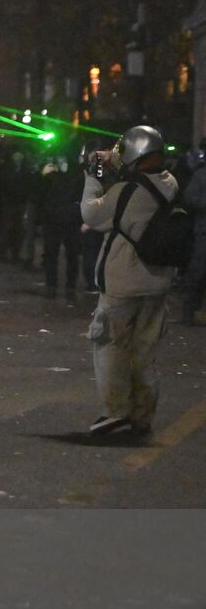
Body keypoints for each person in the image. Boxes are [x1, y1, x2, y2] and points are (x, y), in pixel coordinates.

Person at [82, 125, 180, 437]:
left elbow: (91, 215)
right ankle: (142, 417)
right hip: (158, 281)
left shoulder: (127, 191)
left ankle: (115, 413)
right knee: (145, 355)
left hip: (124, 281)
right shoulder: (169, 182)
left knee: (110, 346)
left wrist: (92, 177)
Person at [39, 156, 82, 301]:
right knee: (61, 255)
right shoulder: (71, 177)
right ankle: (59, 285)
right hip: (60, 220)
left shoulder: (73, 177)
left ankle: (61, 285)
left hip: (63, 220)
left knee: (66, 255)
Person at [182, 145, 206, 326]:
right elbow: (189, 198)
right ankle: (189, 312)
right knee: (197, 273)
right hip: (203, 233)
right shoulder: (201, 175)